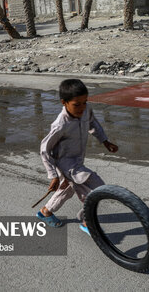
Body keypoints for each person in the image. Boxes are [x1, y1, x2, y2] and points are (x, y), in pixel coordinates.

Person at [37, 79, 118, 234]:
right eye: (77, 104)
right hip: (66, 164)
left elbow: (93, 123)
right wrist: (53, 175)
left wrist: (105, 141)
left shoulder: (86, 110)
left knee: (67, 190)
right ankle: (87, 221)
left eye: (84, 102)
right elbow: (44, 149)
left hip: (77, 159)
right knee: (97, 188)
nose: (82, 108)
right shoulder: (60, 125)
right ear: (64, 102)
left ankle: (45, 212)